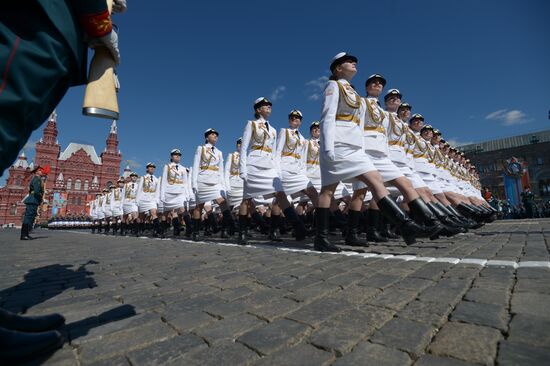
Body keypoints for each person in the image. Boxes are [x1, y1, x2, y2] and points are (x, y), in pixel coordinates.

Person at [316, 52, 440, 252]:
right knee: (328, 190)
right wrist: (328, 146)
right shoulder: (333, 86)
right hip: (338, 144)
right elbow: (327, 116)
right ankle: (320, 238)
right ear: (338, 68)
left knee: (375, 180)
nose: (354, 63)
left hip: (354, 146)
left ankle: (406, 226)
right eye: (349, 61)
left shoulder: (352, 93)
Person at [237, 97, 307, 245]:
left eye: (269, 105)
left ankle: (297, 226)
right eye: (264, 105)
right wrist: (242, 169)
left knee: (280, 194)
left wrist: (277, 170)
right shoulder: (252, 124)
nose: (268, 107)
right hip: (254, 164)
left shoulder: (274, 130)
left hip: (269, 166)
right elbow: (244, 148)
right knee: (247, 199)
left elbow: (275, 152)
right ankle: (241, 232)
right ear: (258, 109)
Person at [191, 129, 235, 240]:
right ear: (207, 137)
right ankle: (195, 232)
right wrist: (194, 183)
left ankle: (228, 228)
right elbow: (196, 165)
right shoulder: (201, 149)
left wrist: (224, 185)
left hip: (215, 182)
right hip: (202, 180)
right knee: (199, 207)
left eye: (216, 135)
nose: (215, 136)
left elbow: (221, 170)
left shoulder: (219, 152)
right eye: (212, 134)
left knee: (223, 203)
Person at [160, 149, 191, 237]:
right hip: (169, 192)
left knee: (183, 210)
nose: (177, 156)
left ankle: (189, 228)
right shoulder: (167, 166)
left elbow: (185, 183)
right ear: (171, 157)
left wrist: (187, 194)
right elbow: (164, 181)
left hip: (180, 192)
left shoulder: (183, 169)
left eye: (179, 155)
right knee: (166, 212)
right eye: (175, 155)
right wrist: (162, 195)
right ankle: (163, 229)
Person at [20, 165, 49, 240]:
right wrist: (40, 199)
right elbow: (36, 191)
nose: (42, 171)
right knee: (28, 216)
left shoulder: (38, 179)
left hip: (34, 200)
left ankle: (26, 234)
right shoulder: (37, 179)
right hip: (33, 199)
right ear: (37, 172)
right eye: (41, 170)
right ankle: (24, 235)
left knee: (31, 216)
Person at [136, 163, 161, 236]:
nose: (152, 169)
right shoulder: (143, 178)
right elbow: (139, 189)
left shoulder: (156, 179)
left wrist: (156, 199)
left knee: (154, 213)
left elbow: (157, 190)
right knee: (141, 216)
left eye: (153, 168)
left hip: (152, 199)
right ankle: (139, 230)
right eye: (150, 167)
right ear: (147, 169)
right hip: (143, 199)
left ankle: (157, 231)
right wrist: (137, 200)